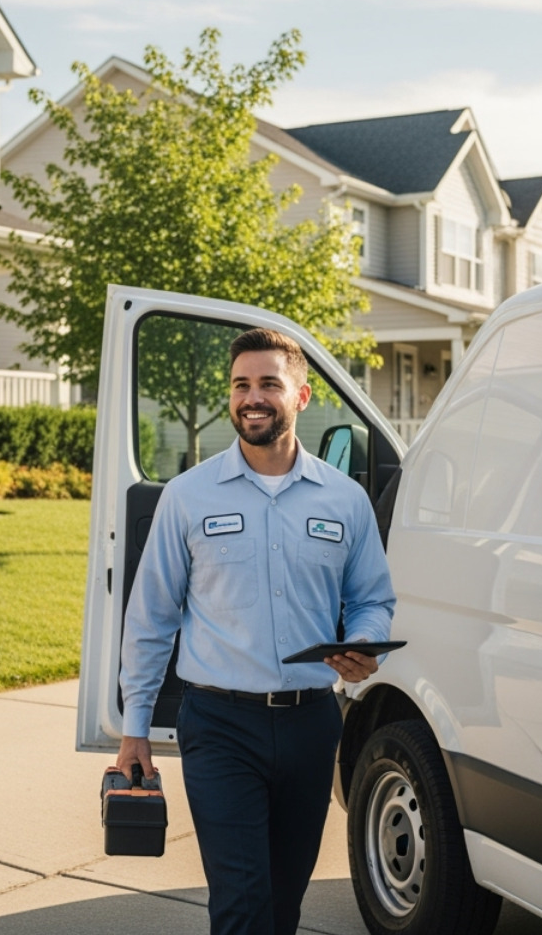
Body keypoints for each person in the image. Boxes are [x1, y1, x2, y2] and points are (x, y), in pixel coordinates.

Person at [117, 327, 396, 935]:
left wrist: (363, 643)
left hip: (311, 725)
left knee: (282, 904)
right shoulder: (187, 497)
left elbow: (372, 599)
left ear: (301, 396)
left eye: (269, 383)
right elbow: (151, 617)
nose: (252, 397)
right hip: (219, 727)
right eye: (240, 384)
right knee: (242, 903)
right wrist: (134, 728)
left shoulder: (345, 500)